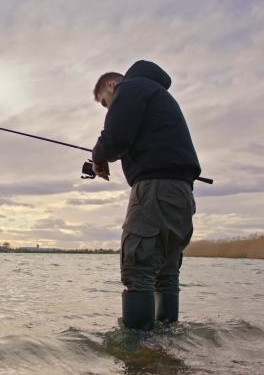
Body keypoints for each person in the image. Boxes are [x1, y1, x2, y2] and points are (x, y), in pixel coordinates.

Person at [91, 60, 201, 330]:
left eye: (106, 103)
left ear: (111, 85)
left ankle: (137, 353)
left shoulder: (129, 88)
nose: (109, 108)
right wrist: (110, 155)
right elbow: (129, 137)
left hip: (155, 190)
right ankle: (168, 345)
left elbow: (116, 135)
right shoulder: (155, 93)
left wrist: (98, 157)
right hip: (182, 193)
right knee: (166, 272)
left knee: (137, 269)